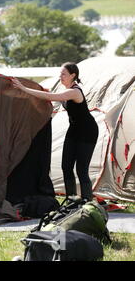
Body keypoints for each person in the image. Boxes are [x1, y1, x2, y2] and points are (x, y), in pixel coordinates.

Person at [11, 62, 98, 201]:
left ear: (73, 75)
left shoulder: (74, 91)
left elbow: (52, 97)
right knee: (66, 166)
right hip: (74, 130)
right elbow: (51, 95)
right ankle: (71, 199)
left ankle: (87, 200)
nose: (60, 76)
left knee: (81, 170)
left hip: (88, 132)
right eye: (60, 73)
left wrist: (24, 88)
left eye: (64, 74)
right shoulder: (66, 89)